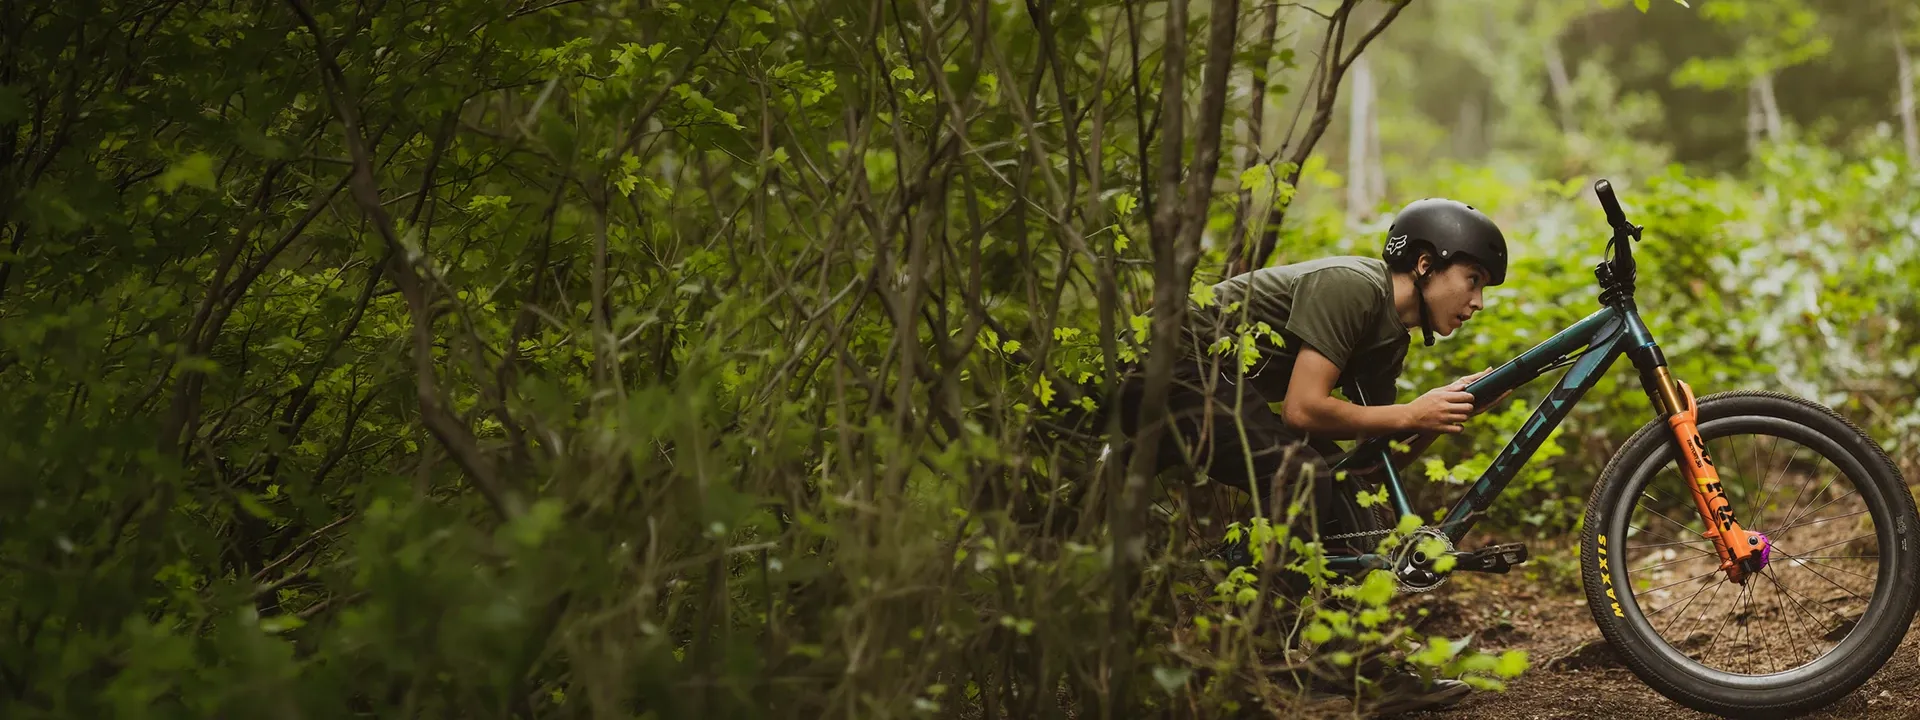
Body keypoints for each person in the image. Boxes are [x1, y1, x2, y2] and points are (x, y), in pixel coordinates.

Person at [1108, 197, 1511, 716]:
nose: (1478, 302)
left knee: (1345, 489)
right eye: (1473, 279)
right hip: (1162, 367)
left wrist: (1443, 414)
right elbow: (1301, 410)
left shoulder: (1389, 340)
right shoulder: (1352, 287)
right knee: (1297, 472)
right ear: (1425, 263)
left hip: (1221, 386)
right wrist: (1412, 412)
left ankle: (1351, 667)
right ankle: (1258, 672)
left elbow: (1372, 464)